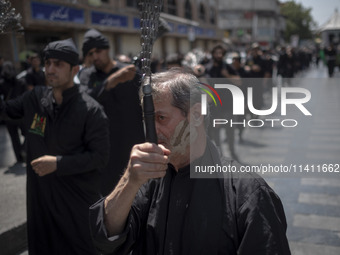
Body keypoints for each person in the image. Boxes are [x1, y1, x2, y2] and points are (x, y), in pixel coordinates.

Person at [89, 68, 291, 255]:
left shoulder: (247, 192)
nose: (152, 132)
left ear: (195, 114)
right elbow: (105, 238)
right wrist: (129, 181)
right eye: (146, 120)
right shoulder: (149, 180)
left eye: (161, 118)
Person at [0, 38, 110, 254]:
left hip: (75, 204)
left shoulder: (91, 110)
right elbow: (5, 110)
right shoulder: (35, 98)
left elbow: (99, 157)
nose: (50, 69)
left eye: (58, 64)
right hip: (40, 203)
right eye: (47, 63)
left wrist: (59, 164)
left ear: (74, 69)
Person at [79, 28, 145, 196]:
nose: (95, 57)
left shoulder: (130, 72)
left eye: (98, 51)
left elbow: (147, 102)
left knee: (139, 196)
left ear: (107, 49)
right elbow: (85, 101)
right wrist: (111, 82)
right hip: (104, 152)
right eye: (90, 53)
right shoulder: (87, 76)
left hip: (132, 146)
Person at [0, 60, 27, 163]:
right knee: (28, 133)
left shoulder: (2, 84)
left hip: (8, 115)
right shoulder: (21, 82)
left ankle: (19, 158)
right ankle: (23, 151)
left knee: (14, 138)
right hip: (19, 114)